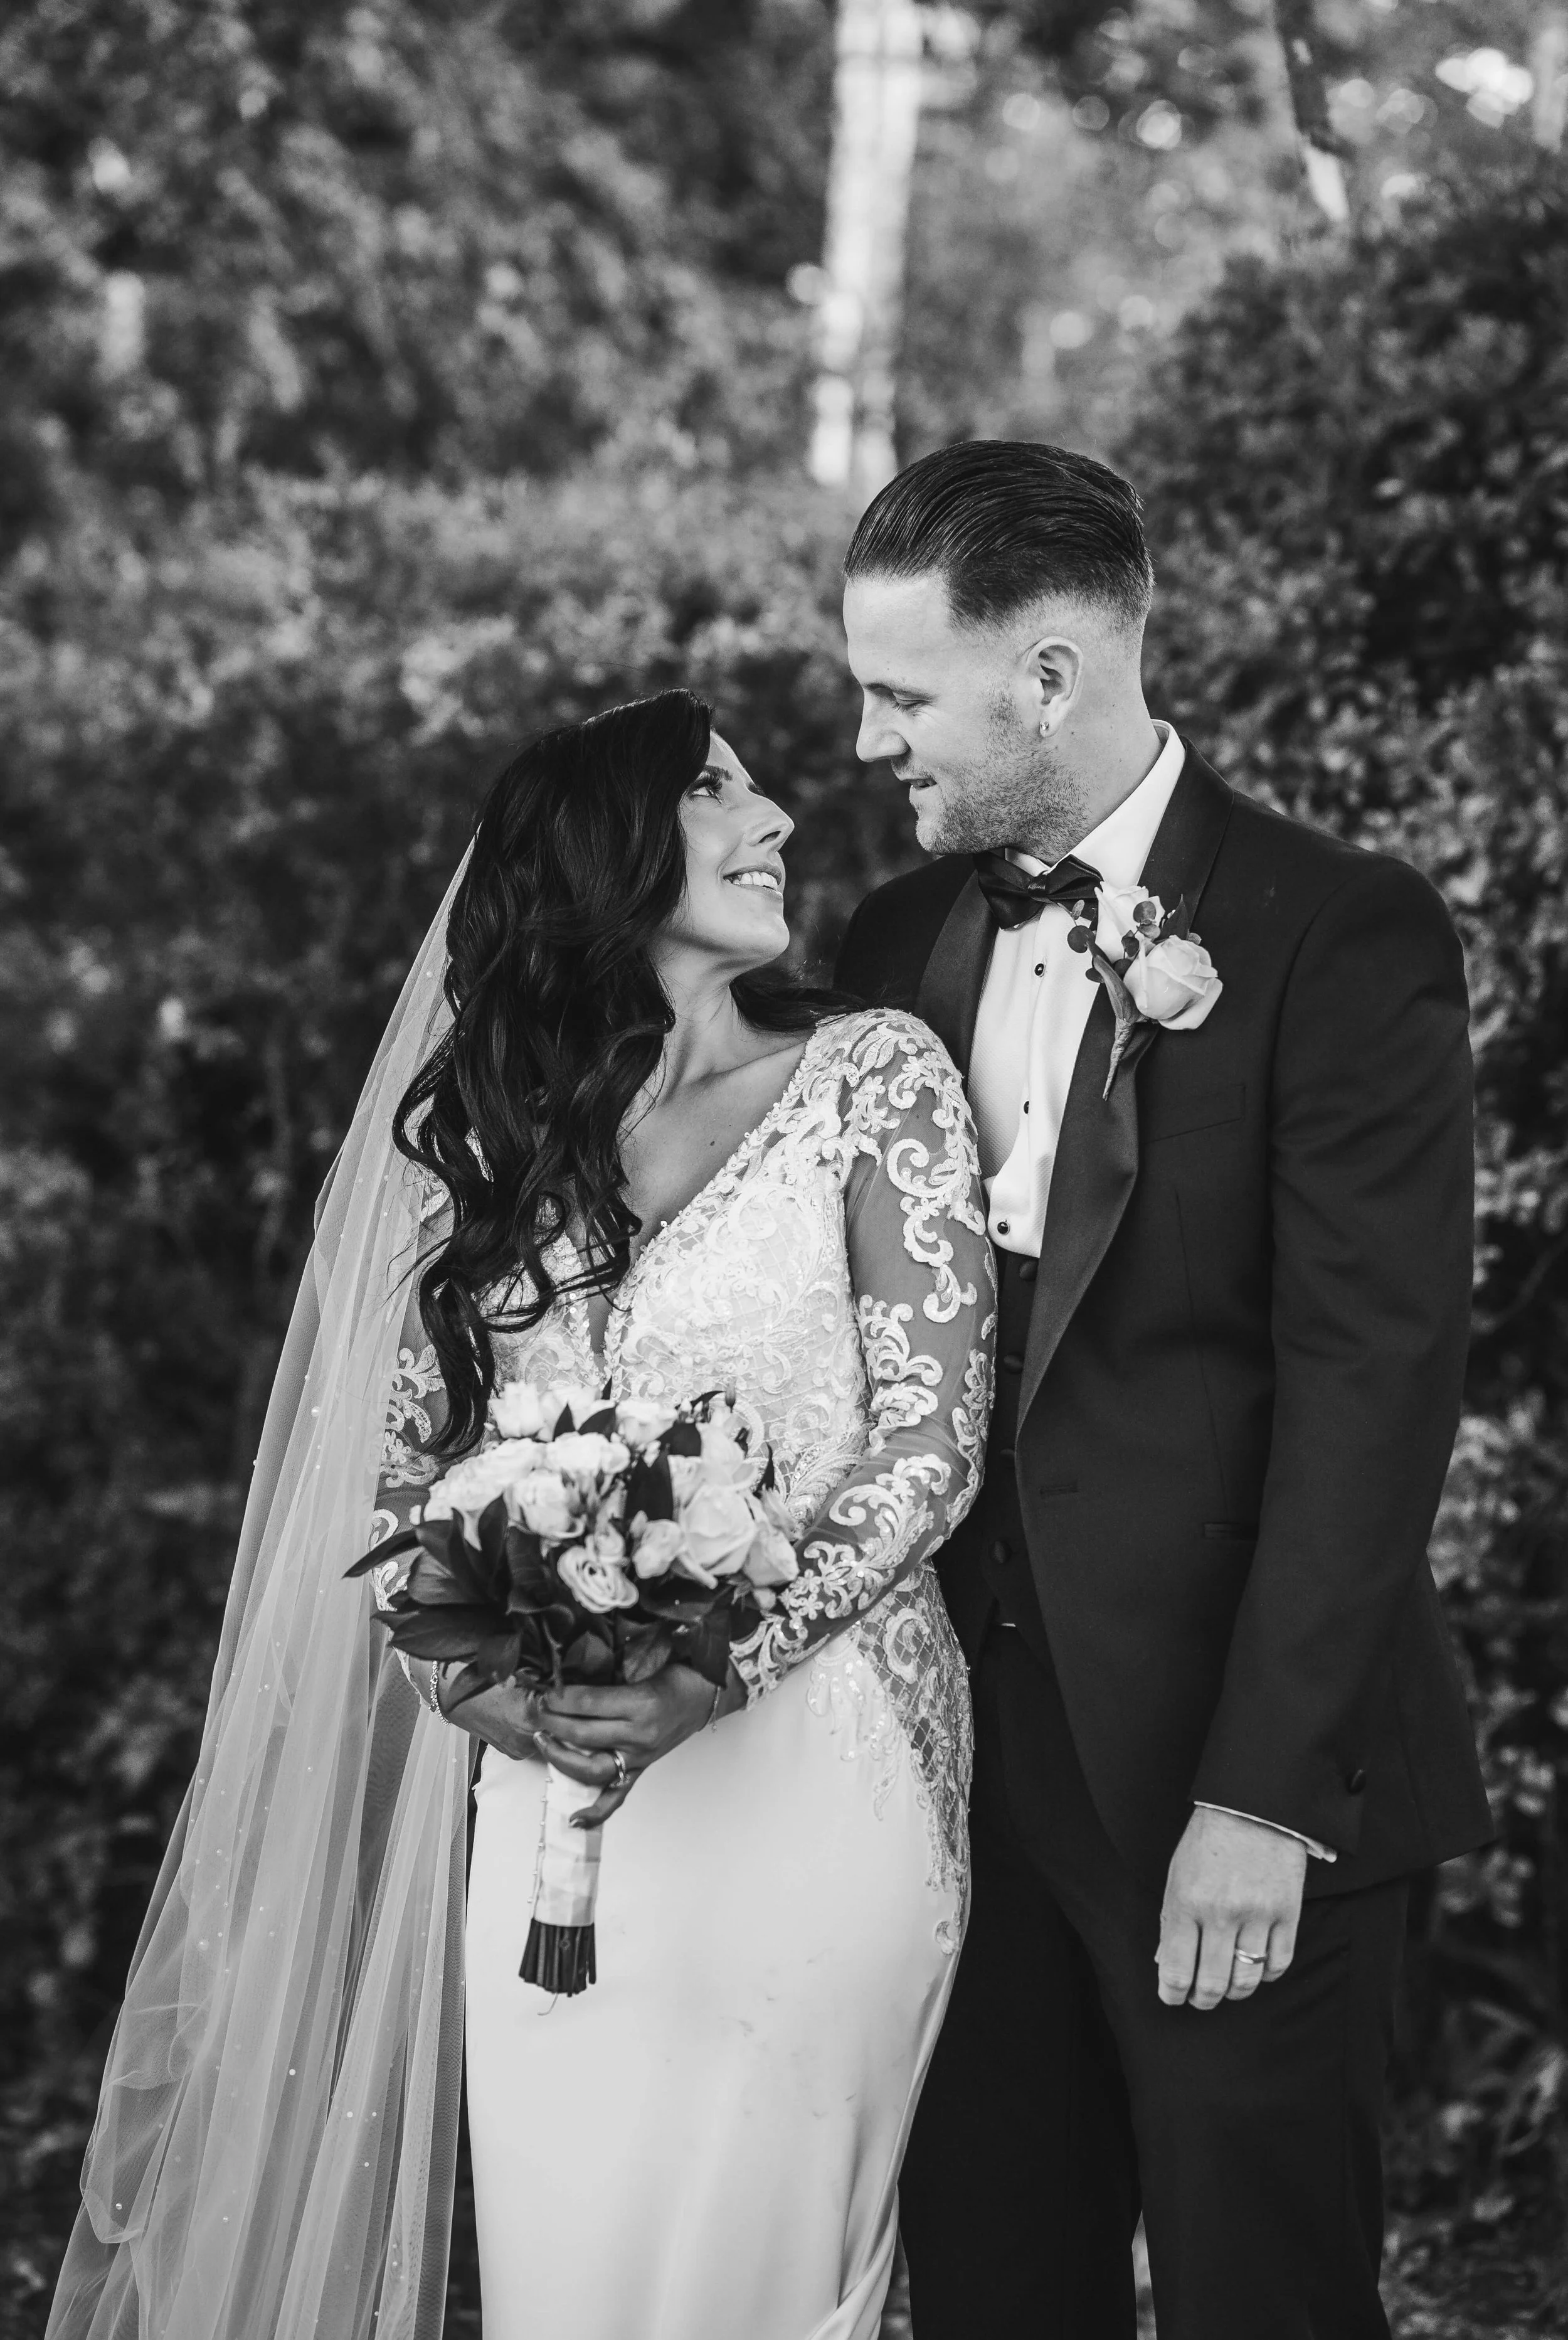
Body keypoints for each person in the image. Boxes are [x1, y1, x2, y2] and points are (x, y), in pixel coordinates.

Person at [47, 689, 995, 2340]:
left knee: (763, 2263)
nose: (775, 818)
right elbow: (401, 1492)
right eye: (716, 791)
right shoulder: (490, 1145)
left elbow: (931, 1437)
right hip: (551, 1799)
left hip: (823, 1755)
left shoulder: (869, 1078)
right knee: (569, 2263)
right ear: (605, 851)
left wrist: (721, 1662)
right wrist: (478, 1684)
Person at [834, 440, 1493, 2340]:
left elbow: (1371, 1389)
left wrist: (1264, 1804)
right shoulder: (894, 941)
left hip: (1229, 1781)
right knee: (993, 2292)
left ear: (1048, 674)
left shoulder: (1334, 933)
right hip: (956, 1787)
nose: (871, 742)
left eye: (901, 694)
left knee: (1258, 2298)